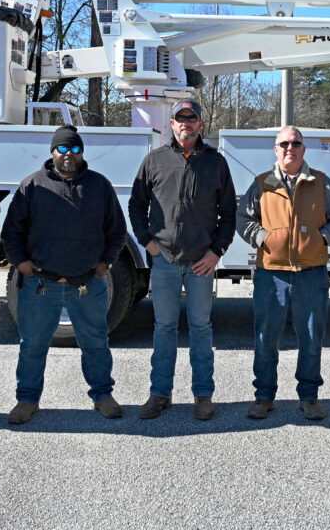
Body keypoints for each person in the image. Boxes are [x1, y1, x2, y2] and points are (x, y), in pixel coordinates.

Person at [0, 125, 127, 425]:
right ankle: (27, 399)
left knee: (96, 342)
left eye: (74, 149)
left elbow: (117, 231)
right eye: (63, 149)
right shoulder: (31, 186)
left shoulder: (99, 186)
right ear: (52, 152)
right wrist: (23, 264)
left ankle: (102, 395)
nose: (68, 155)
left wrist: (104, 263)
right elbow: (11, 233)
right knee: (32, 345)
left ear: (82, 153)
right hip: (41, 284)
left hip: (87, 284)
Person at [128, 100, 236, 420]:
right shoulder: (154, 161)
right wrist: (147, 242)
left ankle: (203, 395)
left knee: (201, 327)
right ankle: (160, 393)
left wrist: (216, 252)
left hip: (200, 262)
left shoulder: (216, 163)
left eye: (192, 118)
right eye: (180, 118)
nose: (186, 123)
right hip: (165, 262)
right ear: (172, 125)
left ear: (201, 124)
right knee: (164, 327)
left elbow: (228, 213)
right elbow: (136, 205)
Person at [237, 126, 330, 421]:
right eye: (284, 143)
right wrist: (264, 239)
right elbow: (243, 219)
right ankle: (263, 397)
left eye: (296, 143)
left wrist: (321, 239)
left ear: (303, 149)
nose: (290, 147)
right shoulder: (261, 184)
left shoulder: (322, 184)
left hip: (311, 272)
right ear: (276, 149)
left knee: (312, 337)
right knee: (265, 337)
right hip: (270, 274)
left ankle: (309, 397)